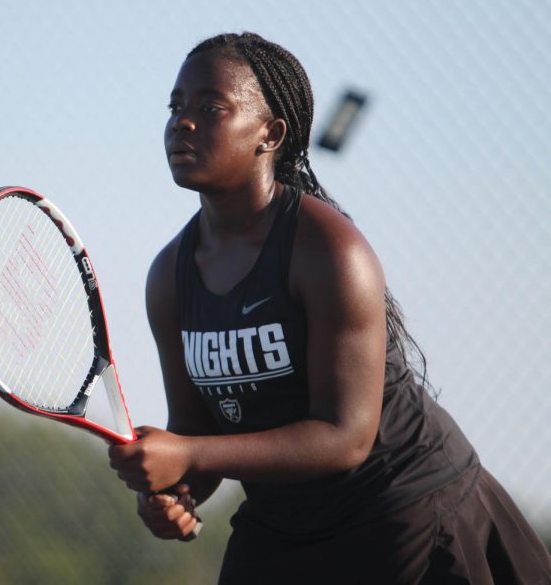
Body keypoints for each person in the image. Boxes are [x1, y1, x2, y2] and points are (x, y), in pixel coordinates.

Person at [107, 32, 551, 583]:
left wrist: (191, 455)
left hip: (406, 511)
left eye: (210, 108)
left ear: (270, 135)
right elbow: (195, 428)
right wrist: (174, 492)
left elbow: (346, 436)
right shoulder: (169, 277)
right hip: (282, 525)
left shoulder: (329, 251)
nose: (183, 122)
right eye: (176, 107)